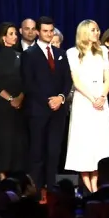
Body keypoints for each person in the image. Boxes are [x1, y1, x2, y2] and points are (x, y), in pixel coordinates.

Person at [20, 17, 73, 187]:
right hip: (38, 110)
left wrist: (61, 98)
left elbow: (67, 80)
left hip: (58, 111)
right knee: (37, 152)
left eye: (51, 31)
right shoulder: (29, 54)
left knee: (54, 151)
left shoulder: (60, 54)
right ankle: (34, 190)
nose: (49, 34)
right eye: (45, 31)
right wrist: (48, 100)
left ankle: (52, 187)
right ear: (37, 32)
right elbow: (29, 83)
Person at [64, 20, 109, 192]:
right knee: (84, 142)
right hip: (84, 101)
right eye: (93, 30)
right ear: (84, 32)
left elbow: (108, 78)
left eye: (98, 30)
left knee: (99, 143)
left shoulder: (103, 51)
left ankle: (97, 186)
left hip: (101, 101)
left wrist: (102, 96)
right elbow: (76, 81)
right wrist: (92, 98)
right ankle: (88, 188)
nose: (97, 32)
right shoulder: (72, 53)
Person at [0, 23, 27, 180]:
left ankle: (17, 177)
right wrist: (10, 99)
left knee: (17, 140)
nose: (15, 36)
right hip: (2, 105)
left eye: (15, 33)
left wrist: (19, 98)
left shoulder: (22, 57)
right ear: (3, 38)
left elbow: (26, 80)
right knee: (2, 138)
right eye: (11, 33)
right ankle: (2, 177)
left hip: (19, 105)